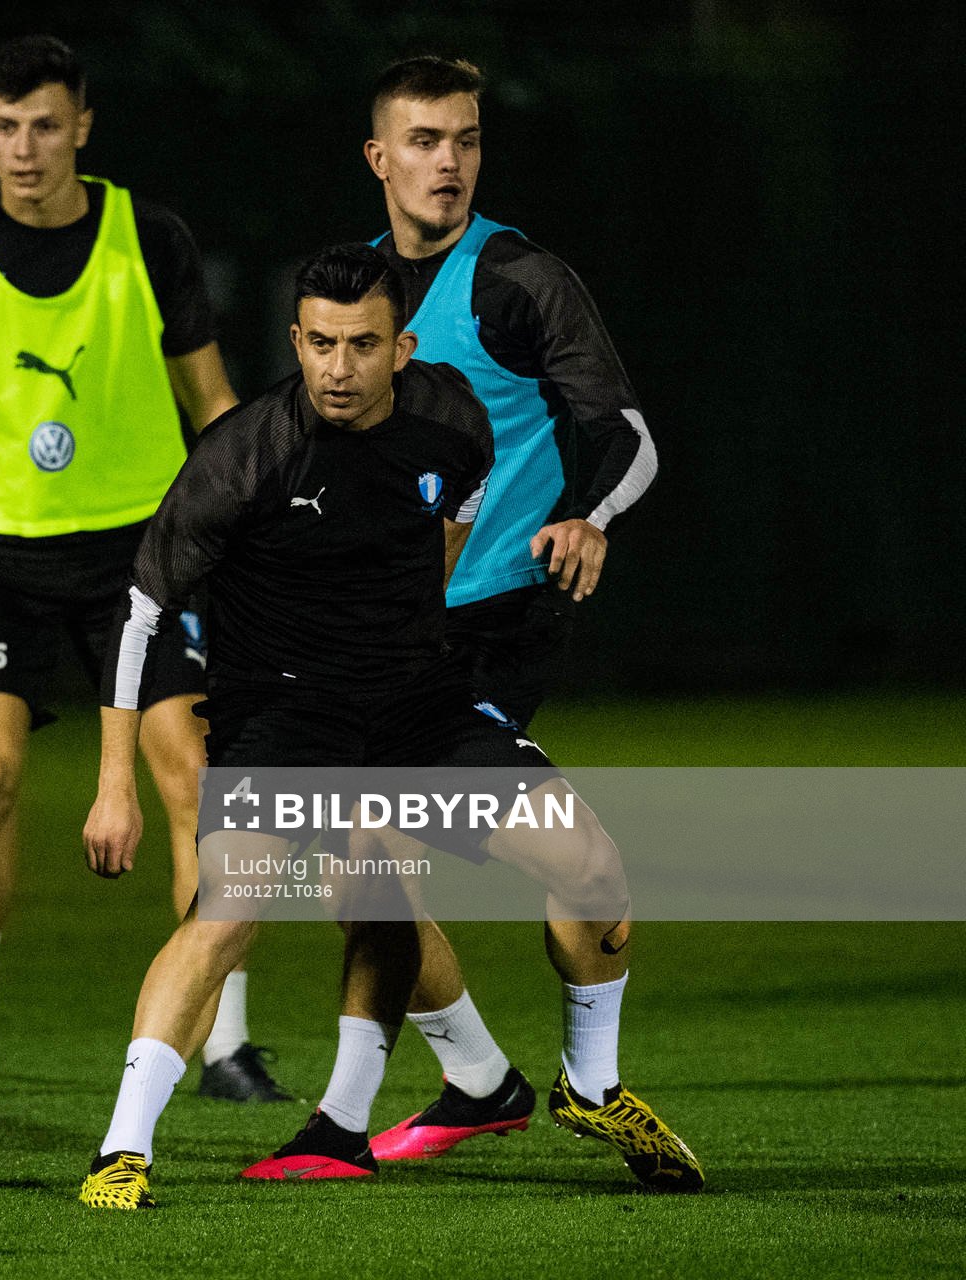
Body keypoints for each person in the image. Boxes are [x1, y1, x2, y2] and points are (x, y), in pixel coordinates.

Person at [75, 244, 700, 1210]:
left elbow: (459, 513)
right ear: (295, 339)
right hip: (283, 716)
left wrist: (406, 633)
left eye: (362, 345)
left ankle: (591, 1085)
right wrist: (116, 783)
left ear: (400, 346)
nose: (338, 366)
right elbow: (141, 613)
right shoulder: (244, 455)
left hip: (417, 704)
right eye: (320, 343)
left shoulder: (453, 418)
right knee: (228, 915)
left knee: (595, 872)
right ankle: (122, 1151)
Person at [0, 35, 284, 1102]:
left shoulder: (148, 238)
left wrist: (248, 530)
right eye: (6, 127)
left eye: (46, 126)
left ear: (83, 129)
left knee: (195, 780)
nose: (26, 148)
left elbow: (211, 399)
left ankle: (225, 1041)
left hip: (140, 554)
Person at [354, 56, 665, 1162]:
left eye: (468, 139)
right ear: (380, 158)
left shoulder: (519, 278)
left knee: (584, 870)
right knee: (358, 858)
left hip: (488, 629)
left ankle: (580, 1079)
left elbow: (629, 435)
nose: (450, 162)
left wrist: (587, 517)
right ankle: (485, 1078)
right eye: (427, 141)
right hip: (385, 633)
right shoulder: (357, 294)